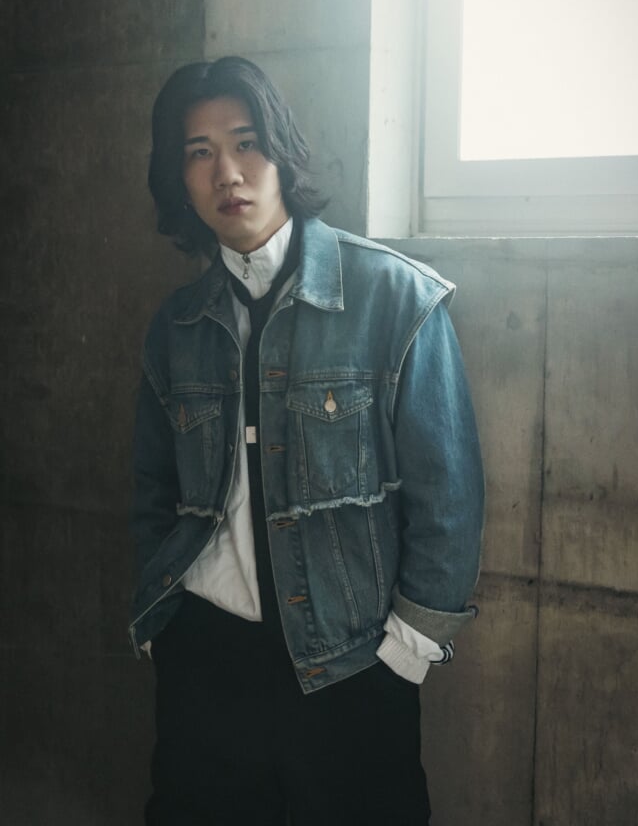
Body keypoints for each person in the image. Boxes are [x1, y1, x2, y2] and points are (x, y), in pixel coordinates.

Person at [129, 56, 485, 826]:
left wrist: (404, 655)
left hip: (350, 669)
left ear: (282, 152)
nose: (227, 172)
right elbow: (151, 490)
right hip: (204, 664)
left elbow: (448, 500)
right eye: (198, 152)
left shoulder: (394, 298)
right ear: (180, 179)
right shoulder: (177, 327)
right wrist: (166, 632)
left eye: (245, 142)